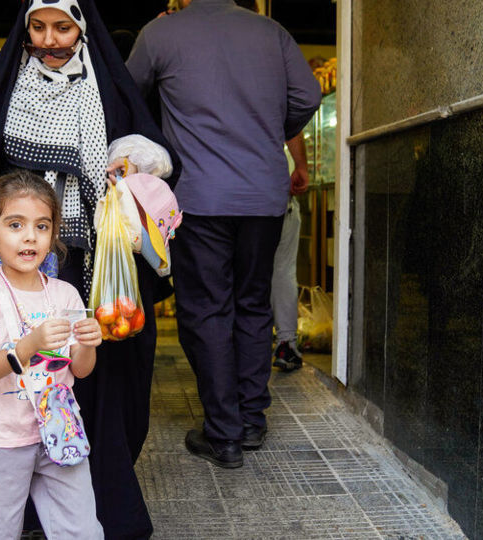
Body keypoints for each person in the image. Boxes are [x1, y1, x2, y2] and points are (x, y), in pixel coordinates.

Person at [0, 1, 178, 536]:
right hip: (13, 261)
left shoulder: (107, 90)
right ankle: (6, 502)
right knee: (4, 372)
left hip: (87, 262)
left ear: (82, 29)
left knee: (84, 375)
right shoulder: (6, 88)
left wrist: (129, 167)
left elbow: (156, 159)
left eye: (62, 27)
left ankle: (82, 503)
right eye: (38, 27)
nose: (50, 39)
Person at [127, 0, 321, 468]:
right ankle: (251, 420)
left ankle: (224, 433)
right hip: (263, 195)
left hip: (199, 196)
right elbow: (309, 96)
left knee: (207, 309)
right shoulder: (272, 32)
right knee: (253, 304)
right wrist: (267, 130)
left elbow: (127, 96)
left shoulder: (160, 34)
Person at [0, 170, 103, 538]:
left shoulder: (65, 294)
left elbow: (81, 370)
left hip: (61, 429)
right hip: (3, 440)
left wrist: (88, 342)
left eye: (42, 226)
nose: (30, 236)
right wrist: (30, 343)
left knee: (82, 531)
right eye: (15, 225)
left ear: (53, 235)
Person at [272, 131, 309, 371]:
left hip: (217, 201)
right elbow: (293, 127)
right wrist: (301, 166)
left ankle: (232, 346)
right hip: (272, 197)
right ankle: (286, 343)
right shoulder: (270, 101)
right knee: (282, 271)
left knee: (237, 273)